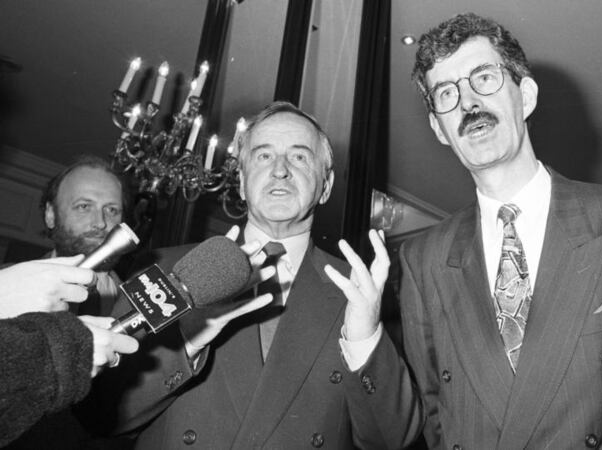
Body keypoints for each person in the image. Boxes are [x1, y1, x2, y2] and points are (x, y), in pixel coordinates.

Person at [336, 12, 602, 449]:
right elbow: (435, 415)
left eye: (484, 78)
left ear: (525, 95)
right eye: (446, 94)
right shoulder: (423, 258)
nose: (468, 103)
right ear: (439, 128)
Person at [102, 101, 421, 449]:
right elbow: (101, 416)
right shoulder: (161, 268)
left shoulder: (360, 290)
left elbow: (392, 440)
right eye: (263, 156)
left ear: (326, 186)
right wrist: (187, 340)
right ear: (240, 181)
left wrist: (365, 339)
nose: (280, 170)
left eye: (300, 157)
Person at [0, 260, 139, 447]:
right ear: (50, 227)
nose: (100, 227)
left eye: (110, 226)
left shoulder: (129, 281)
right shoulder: (11, 276)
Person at [39, 155, 128, 316]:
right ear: (51, 215)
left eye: (112, 210)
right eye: (84, 206)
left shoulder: (136, 304)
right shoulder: (8, 288)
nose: (100, 222)